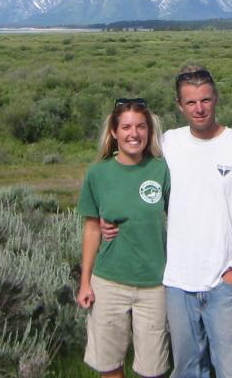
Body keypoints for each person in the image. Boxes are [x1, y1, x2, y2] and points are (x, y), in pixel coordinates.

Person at [103, 66, 232, 378]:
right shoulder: (169, 143)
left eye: (205, 100)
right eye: (191, 102)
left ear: (217, 99)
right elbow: (138, 181)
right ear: (179, 105)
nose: (199, 109)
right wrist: (110, 219)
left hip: (224, 279)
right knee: (186, 369)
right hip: (178, 281)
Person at [76, 97, 171, 378]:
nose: (134, 134)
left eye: (141, 127)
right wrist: (85, 283)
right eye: (126, 127)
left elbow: (185, 214)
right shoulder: (98, 173)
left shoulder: (162, 169)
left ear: (149, 131)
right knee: (109, 365)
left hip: (155, 284)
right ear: (114, 132)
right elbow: (92, 228)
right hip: (108, 282)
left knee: (152, 369)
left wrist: (231, 224)